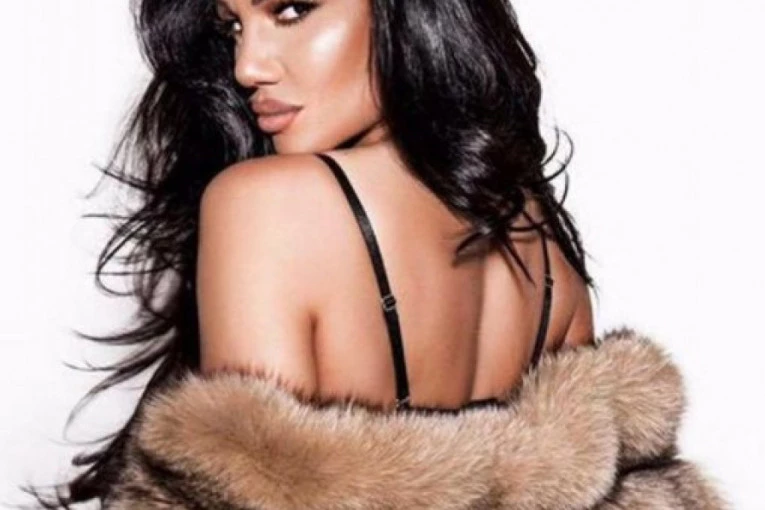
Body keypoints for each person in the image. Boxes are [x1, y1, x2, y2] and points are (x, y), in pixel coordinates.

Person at [22, 0, 600, 507]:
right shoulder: (545, 243)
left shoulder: (264, 204)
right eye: (232, 28)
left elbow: (250, 493)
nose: (247, 66)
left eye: (293, 9)